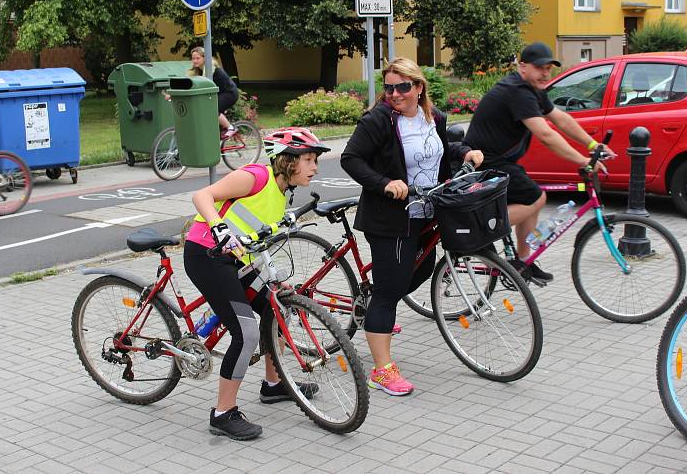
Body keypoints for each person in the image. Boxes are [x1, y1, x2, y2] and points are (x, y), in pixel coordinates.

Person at [341, 57, 484, 396]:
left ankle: (376, 306)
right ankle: (382, 369)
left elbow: (439, 151)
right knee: (390, 290)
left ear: (419, 88)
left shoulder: (432, 118)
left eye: (403, 87)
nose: (395, 94)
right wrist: (384, 182)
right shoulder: (378, 120)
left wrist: (465, 152)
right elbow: (350, 158)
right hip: (390, 217)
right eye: (389, 87)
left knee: (417, 273)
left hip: (427, 210)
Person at [184, 126, 330, 440]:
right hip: (207, 254)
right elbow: (202, 196)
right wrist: (219, 229)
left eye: (314, 160)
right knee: (246, 331)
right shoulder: (256, 176)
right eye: (308, 159)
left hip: (237, 260)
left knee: (277, 309)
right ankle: (223, 413)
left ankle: (274, 383)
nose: (314, 167)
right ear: (288, 161)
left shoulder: (281, 191)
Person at [463, 42, 615, 282]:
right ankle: (476, 232)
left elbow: (561, 119)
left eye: (549, 68)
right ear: (522, 67)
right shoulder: (517, 92)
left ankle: (524, 263)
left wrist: (592, 145)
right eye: (539, 68)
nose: (546, 73)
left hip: (499, 161)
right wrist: (584, 161)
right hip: (484, 162)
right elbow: (546, 135)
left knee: (531, 198)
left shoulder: (532, 89)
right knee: (536, 198)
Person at [186, 46, 239, 138]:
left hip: (229, 93)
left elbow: (203, 85)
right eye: (193, 58)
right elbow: (190, 84)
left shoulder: (210, 68)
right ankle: (218, 145)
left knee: (212, 109)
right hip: (220, 93)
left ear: (205, 58)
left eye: (198, 58)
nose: (195, 61)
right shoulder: (197, 70)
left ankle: (231, 128)